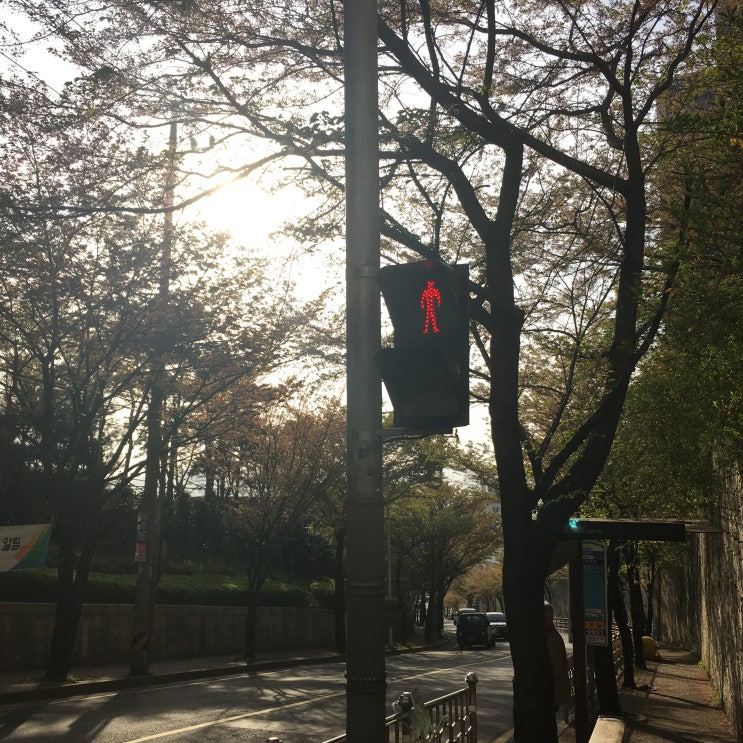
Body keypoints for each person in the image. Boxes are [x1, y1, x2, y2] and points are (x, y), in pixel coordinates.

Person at [545, 601, 571, 712]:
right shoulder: (549, 635)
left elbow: (554, 667)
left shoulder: (553, 638)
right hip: (552, 689)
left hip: (552, 689)